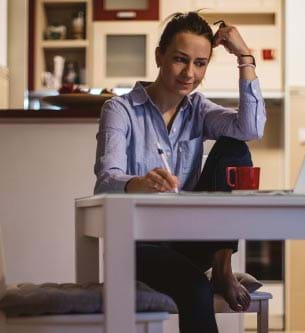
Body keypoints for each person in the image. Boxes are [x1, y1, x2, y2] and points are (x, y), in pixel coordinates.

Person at [93, 11, 266, 333]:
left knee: (235, 147)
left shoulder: (199, 109)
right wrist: (138, 183)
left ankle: (222, 266)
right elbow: (106, 178)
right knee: (195, 289)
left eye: (200, 63)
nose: (190, 73)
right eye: (180, 59)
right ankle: (211, 276)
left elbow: (250, 128)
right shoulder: (120, 110)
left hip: (191, 240)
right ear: (159, 56)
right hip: (139, 243)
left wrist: (245, 57)